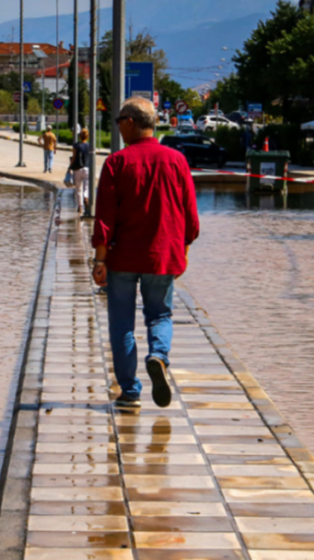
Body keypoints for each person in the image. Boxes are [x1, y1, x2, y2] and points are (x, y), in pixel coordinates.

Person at [91, 97, 200, 409]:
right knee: (160, 314)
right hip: (162, 256)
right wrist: (185, 249)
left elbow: (105, 218)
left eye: (118, 122)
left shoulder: (116, 163)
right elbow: (190, 216)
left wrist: (100, 260)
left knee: (122, 324)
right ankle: (158, 356)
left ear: (129, 122)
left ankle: (130, 392)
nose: (118, 128)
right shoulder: (177, 161)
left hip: (121, 258)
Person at [70, 128, 91, 214]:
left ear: (80, 136)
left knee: (78, 188)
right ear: (87, 136)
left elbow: (74, 157)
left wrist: (70, 166)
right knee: (86, 187)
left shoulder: (76, 145)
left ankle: (80, 206)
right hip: (87, 168)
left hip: (78, 168)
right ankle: (86, 197)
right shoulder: (89, 145)